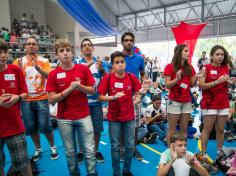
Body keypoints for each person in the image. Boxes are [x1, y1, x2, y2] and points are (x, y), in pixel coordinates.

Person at [46, 39, 97, 176]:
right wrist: (68, 90)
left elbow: (92, 90)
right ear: (57, 55)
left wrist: (80, 87)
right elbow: (51, 100)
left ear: (72, 52)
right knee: (70, 152)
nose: (65, 53)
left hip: (84, 115)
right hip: (64, 118)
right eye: (61, 51)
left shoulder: (83, 68)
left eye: (68, 50)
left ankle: (92, 173)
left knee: (90, 150)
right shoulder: (53, 74)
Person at [13, 37, 58, 161]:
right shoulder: (18, 61)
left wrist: (38, 67)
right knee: (31, 127)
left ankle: (53, 147)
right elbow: (15, 79)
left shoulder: (44, 61)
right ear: (25, 46)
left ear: (37, 47)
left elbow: (50, 76)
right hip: (25, 100)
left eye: (34, 44)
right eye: (29, 44)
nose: (31, 46)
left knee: (46, 126)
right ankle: (38, 149)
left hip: (42, 98)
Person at [98, 51, 141, 176]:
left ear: (125, 63)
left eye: (122, 62)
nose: (120, 65)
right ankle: (116, 172)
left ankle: (126, 171)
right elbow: (100, 97)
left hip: (129, 117)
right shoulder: (108, 78)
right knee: (115, 147)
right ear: (112, 65)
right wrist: (113, 98)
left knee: (129, 147)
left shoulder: (132, 77)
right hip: (114, 118)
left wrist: (136, 98)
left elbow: (137, 93)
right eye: (117, 63)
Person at [0, 40, 32, 176]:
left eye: (5, 52)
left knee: (23, 162)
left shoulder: (15, 70)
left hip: (14, 126)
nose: (3, 55)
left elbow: (25, 93)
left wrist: (17, 98)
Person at [199, 45, 235, 159]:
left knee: (220, 130)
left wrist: (230, 82)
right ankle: (203, 154)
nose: (220, 57)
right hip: (210, 103)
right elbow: (201, 86)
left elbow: (225, 84)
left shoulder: (225, 67)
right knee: (207, 129)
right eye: (217, 54)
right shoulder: (206, 68)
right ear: (211, 56)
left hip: (223, 102)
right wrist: (217, 81)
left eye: (222, 55)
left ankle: (220, 152)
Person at [164, 44, 204, 145]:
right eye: (186, 51)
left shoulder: (189, 67)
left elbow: (191, 84)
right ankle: (170, 152)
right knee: (172, 129)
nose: (188, 53)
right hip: (174, 101)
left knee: (184, 128)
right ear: (179, 53)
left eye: (188, 51)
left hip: (186, 101)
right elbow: (167, 85)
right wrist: (177, 79)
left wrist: (197, 77)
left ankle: (183, 151)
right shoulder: (170, 66)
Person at [75, 38, 106, 164]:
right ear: (81, 49)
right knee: (80, 129)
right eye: (84, 45)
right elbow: (74, 79)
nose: (87, 47)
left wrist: (103, 71)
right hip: (81, 102)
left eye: (89, 45)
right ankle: (81, 151)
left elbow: (107, 79)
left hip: (96, 102)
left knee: (97, 128)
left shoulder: (100, 63)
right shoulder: (77, 63)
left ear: (93, 48)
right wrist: (84, 69)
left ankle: (95, 150)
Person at [121, 31, 145, 160]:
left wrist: (145, 84)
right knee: (120, 124)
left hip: (135, 96)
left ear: (133, 42)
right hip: (119, 96)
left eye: (131, 40)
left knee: (135, 125)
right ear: (122, 42)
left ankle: (134, 148)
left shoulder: (139, 58)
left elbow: (143, 74)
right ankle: (121, 149)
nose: (129, 42)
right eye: (126, 40)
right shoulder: (117, 57)